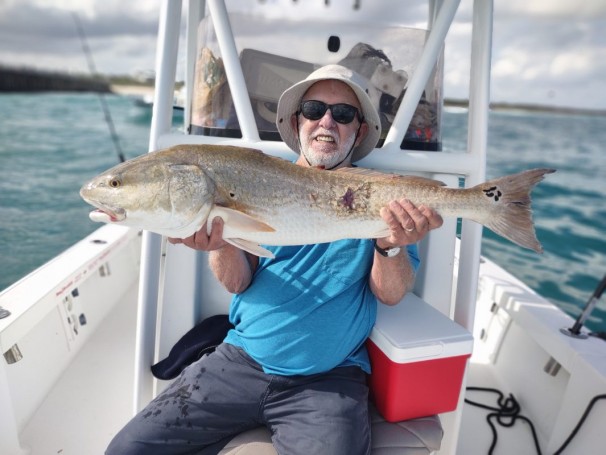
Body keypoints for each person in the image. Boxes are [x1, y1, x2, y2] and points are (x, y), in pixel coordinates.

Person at [106, 64, 443, 455]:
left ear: (359, 130)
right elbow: (237, 283)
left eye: (344, 114)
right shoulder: (254, 179)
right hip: (239, 361)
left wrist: (391, 245)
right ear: (298, 121)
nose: (327, 121)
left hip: (328, 380)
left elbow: (390, 294)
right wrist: (221, 243)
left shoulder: (382, 197)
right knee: (127, 450)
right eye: (315, 109)